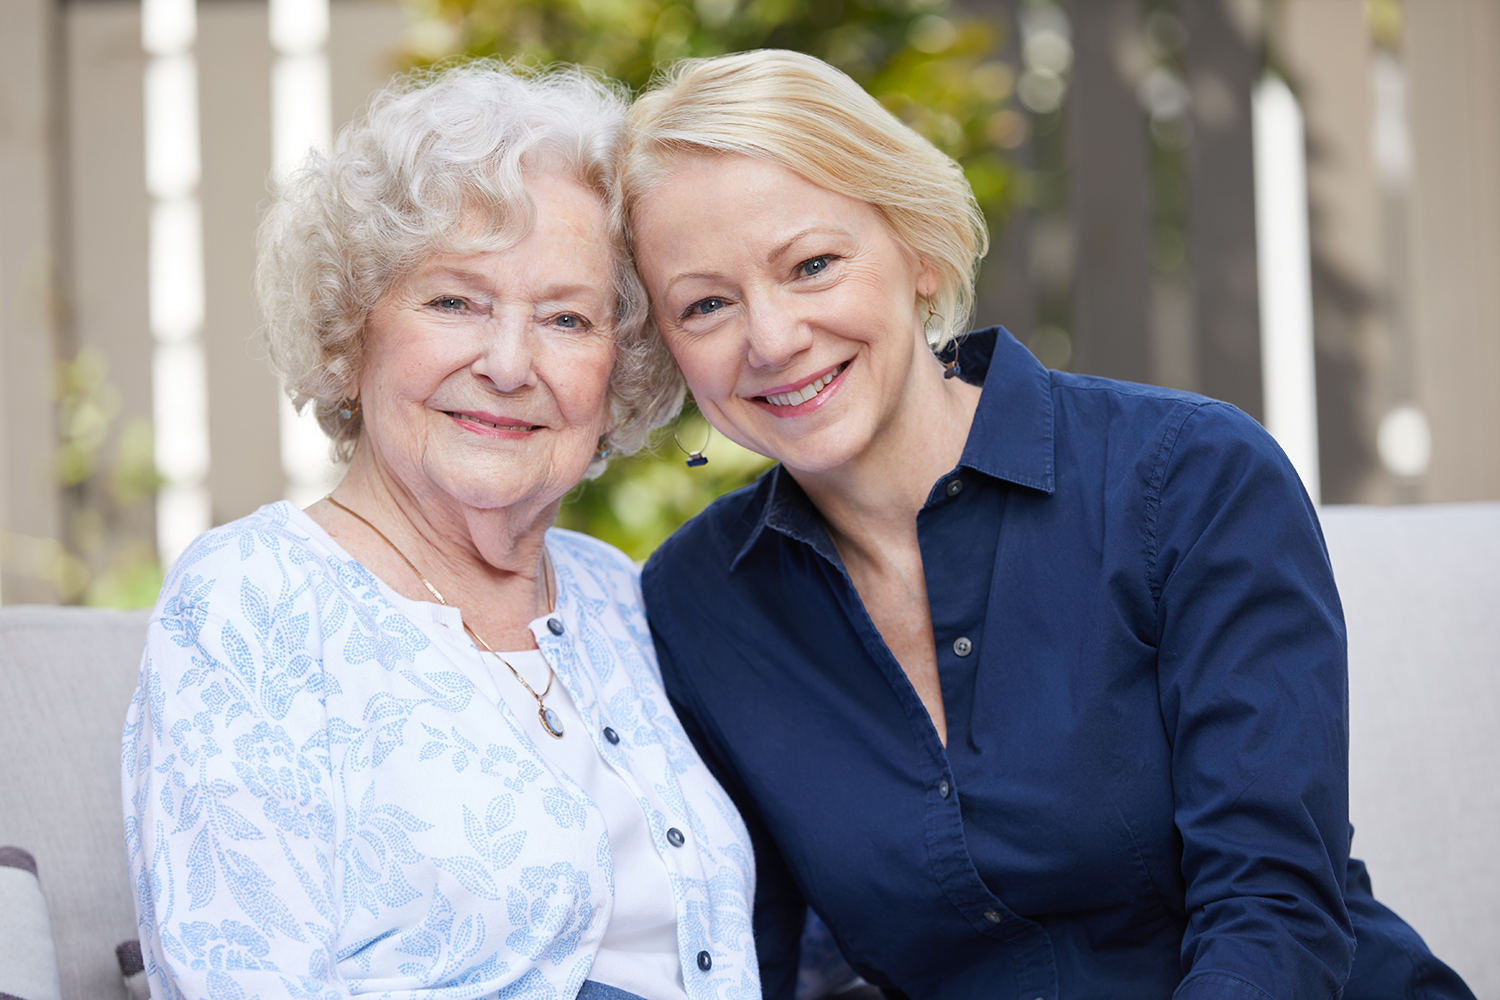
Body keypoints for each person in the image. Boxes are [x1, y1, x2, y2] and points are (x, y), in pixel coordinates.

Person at [624, 49, 1474, 1000]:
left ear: (919, 249)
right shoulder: (695, 604)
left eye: (813, 264)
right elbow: (744, 958)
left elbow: (1273, 915)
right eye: (706, 305)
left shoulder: (1189, 477)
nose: (773, 339)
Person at [121, 63, 758, 1000]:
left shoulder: (614, 591)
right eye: (455, 301)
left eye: (566, 317)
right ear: (351, 336)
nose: (508, 363)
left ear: (618, 369)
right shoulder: (253, 598)